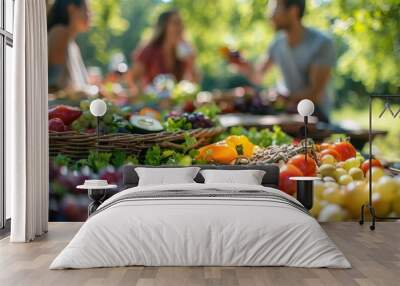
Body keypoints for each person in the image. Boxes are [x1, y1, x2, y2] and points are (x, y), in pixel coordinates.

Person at [236, 0, 336, 122]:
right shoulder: (277, 43)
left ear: (293, 11)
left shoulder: (321, 43)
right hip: (286, 112)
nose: (270, 15)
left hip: (315, 115)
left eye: (275, 9)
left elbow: (314, 95)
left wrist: (283, 98)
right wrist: (243, 65)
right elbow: (258, 75)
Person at [127, 9, 200, 96]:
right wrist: (144, 95)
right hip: (152, 104)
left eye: (181, 23)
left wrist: (192, 63)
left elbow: (194, 83)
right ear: (164, 27)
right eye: (175, 23)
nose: (180, 27)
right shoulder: (150, 50)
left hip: (175, 105)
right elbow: (133, 77)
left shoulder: (184, 51)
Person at [47, 0, 90, 92]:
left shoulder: (72, 44)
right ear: (72, 9)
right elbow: (55, 84)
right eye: (86, 10)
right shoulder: (59, 33)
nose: (89, 15)